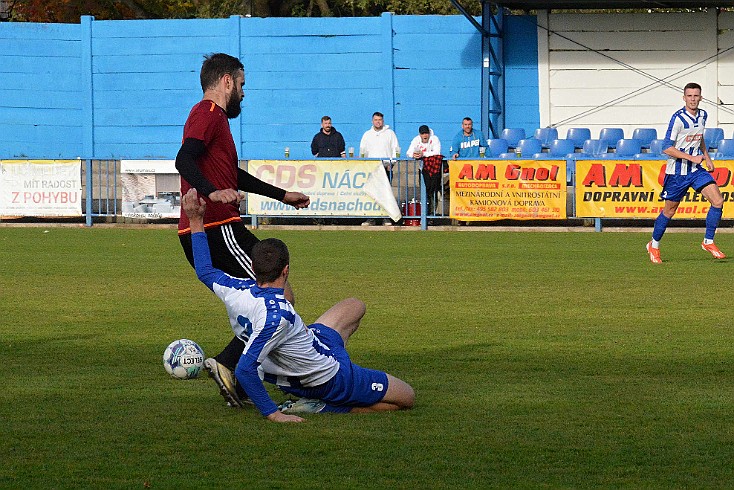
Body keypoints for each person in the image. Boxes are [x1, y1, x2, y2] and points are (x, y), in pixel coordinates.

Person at [182, 188, 415, 422]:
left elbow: (204, 270)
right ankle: (321, 405)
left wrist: (195, 219)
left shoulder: (236, 288)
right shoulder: (276, 316)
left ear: (253, 268)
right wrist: (272, 413)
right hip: (326, 378)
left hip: (314, 345)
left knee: (354, 306)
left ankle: (339, 364)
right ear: (286, 271)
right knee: (406, 397)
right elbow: (244, 369)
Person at [175, 53, 311, 408]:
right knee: (281, 297)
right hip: (219, 227)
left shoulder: (215, 119)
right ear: (226, 82)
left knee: (273, 300)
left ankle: (238, 368)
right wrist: (211, 191)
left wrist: (282, 195)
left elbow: (232, 175)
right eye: (242, 84)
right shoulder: (207, 113)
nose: (244, 93)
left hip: (217, 227)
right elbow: (183, 159)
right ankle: (231, 364)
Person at [646, 82, 726, 264]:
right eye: (689, 96)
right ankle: (654, 245)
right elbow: (666, 147)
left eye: (696, 96)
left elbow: (699, 138)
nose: (693, 99)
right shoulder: (678, 119)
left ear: (701, 97)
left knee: (718, 201)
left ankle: (708, 241)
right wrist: (691, 158)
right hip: (677, 173)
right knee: (670, 210)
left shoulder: (703, 115)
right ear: (684, 98)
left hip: (696, 170)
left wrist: (707, 157)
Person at [359, 112, 400, 225]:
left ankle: (386, 217)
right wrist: (365, 164)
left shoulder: (390, 133)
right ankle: (371, 218)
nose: (378, 122)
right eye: (376, 119)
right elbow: (363, 151)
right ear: (372, 121)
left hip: (385, 167)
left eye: (380, 120)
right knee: (371, 193)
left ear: (383, 121)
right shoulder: (367, 134)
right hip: (371, 168)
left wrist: (391, 163)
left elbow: (395, 150)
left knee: (385, 193)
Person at [407, 125, 444, 215]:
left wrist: (423, 154)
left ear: (429, 133)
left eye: (426, 133)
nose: (425, 136)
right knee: (425, 192)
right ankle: (425, 214)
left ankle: (432, 214)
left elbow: (437, 152)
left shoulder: (434, 139)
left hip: (435, 169)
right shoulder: (416, 140)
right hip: (423, 169)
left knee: (434, 191)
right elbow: (408, 152)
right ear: (420, 134)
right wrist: (414, 155)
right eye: (423, 134)